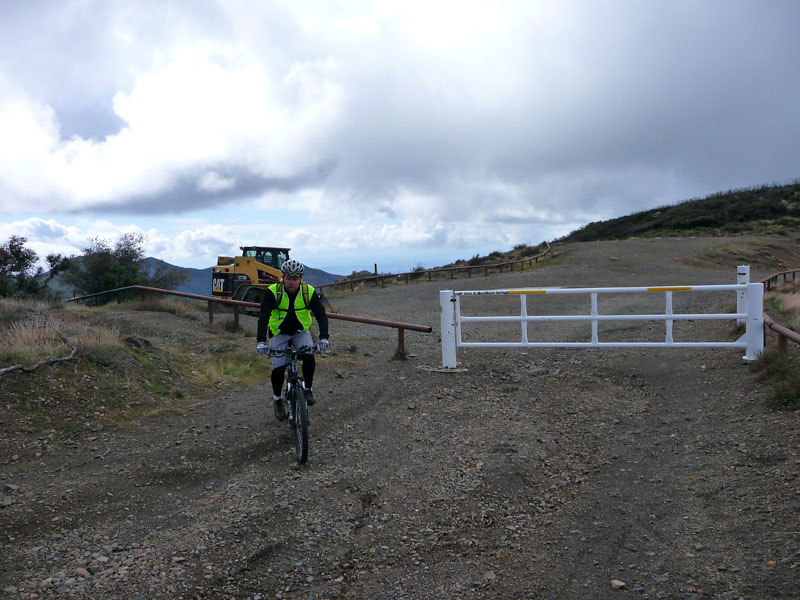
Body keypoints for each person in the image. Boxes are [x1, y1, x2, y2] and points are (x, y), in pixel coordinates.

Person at [256, 259, 329, 421]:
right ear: (282, 277)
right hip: (278, 332)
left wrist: (324, 338)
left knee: (309, 355)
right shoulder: (273, 291)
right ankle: (277, 400)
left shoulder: (308, 292)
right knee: (278, 368)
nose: (291, 282)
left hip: (300, 331)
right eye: (288, 278)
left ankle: (308, 389)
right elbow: (263, 317)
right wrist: (261, 341)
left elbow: (321, 315)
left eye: (295, 279)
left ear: (300, 279)